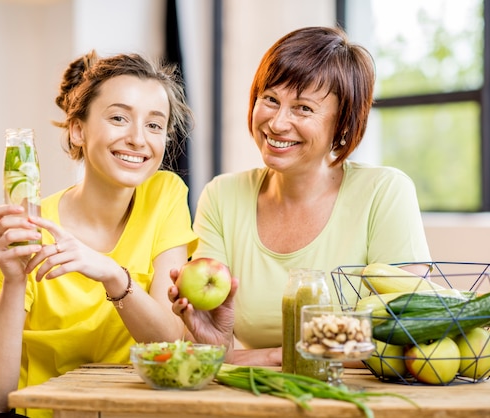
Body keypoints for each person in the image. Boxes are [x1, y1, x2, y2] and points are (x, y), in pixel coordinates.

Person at [0, 51, 198, 418]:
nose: (138, 139)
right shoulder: (26, 227)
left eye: (154, 125)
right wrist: (14, 280)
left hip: (99, 400)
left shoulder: (164, 195)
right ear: (77, 130)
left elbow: (169, 345)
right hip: (16, 402)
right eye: (119, 118)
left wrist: (112, 275)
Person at [169, 26, 431, 366]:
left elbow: (406, 336)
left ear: (344, 125)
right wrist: (214, 342)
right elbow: (208, 350)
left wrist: (271, 356)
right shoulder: (222, 196)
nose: (277, 123)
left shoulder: (384, 193)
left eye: (303, 109)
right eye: (270, 100)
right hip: (251, 399)